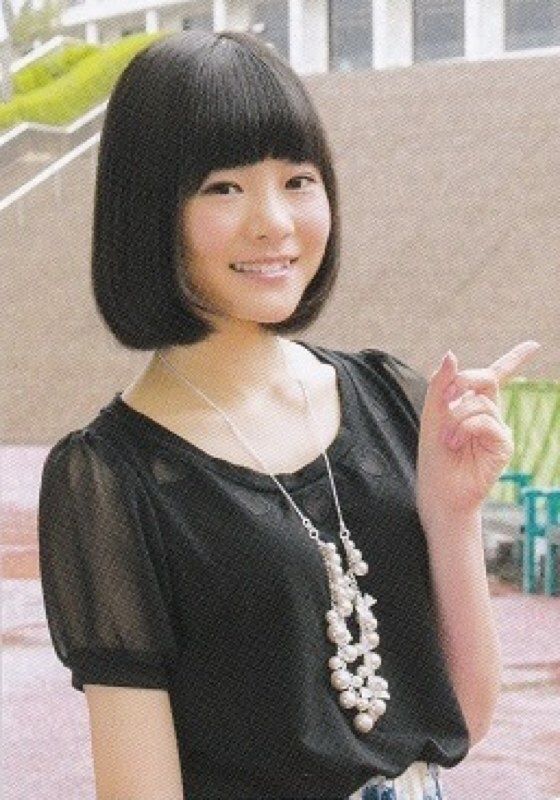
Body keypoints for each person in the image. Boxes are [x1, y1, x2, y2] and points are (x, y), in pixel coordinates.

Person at [37, 28, 541, 800]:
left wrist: (453, 513)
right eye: (223, 188)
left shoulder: (386, 397)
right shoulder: (112, 480)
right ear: (149, 210)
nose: (274, 221)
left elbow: (461, 721)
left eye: (298, 180)